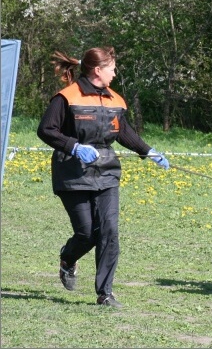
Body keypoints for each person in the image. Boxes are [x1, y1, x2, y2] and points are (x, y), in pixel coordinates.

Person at [37, 47, 169, 308]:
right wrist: (73, 146)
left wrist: (148, 151)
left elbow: (123, 131)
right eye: (112, 68)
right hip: (72, 173)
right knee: (86, 234)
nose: (115, 73)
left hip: (107, 172)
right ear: (98, 70)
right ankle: (67, 259)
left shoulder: (115, 100)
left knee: (109, 231)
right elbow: (46, 129)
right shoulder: (67, 97)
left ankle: (105, 293)